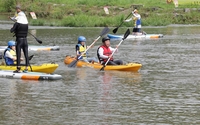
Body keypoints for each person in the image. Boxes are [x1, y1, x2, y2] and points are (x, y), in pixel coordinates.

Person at [10, 5, 29, 73]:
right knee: (26, 54)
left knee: (18, 54)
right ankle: (27, 68)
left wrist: (12, 27)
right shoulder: (26, 24)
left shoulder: (17, 23)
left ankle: (18, 68)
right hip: (25, 40)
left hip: (19, 41)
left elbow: (11, 31)